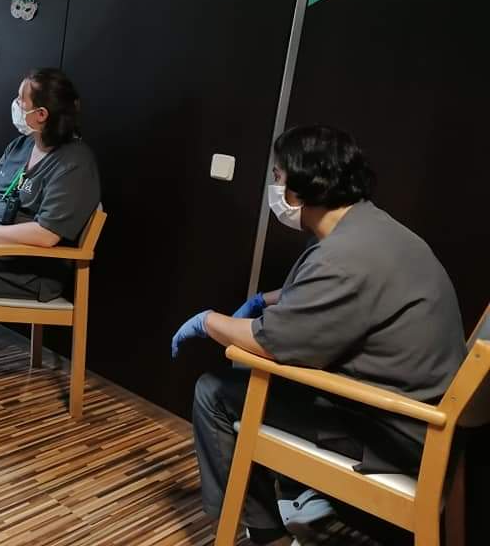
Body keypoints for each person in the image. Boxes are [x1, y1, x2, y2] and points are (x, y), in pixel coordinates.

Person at [171, 125, 466, 546]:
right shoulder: (371, 228)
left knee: (214, 393)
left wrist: (207, 321)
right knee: (272, 388)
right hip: (421, 415)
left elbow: (271, 342)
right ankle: (293, 493)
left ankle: (264, 532)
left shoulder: (345, 255)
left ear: (302, 187)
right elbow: (318, 299)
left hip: (395, 433)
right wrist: (264, 299)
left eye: (278, 177)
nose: (274, 187)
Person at [0, 68, 100, 379]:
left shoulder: (74, 164)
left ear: (41, 114)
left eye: (21, 100)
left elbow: (46, 234)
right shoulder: (20, 147)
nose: (15, 104)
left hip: (28, 270)